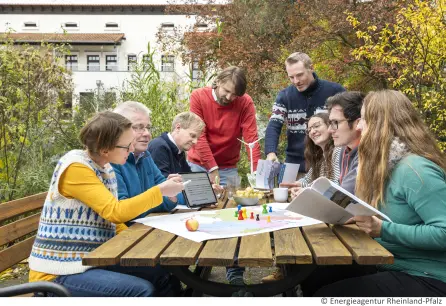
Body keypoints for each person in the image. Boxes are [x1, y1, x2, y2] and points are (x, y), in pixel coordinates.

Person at [304, 90, 446, 297]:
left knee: (328, 294)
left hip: (429, 276)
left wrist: (383, 229)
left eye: (365, 119)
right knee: (316, 278)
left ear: (383, 125)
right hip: (388, 261)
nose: (359, 125)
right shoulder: (384, 166)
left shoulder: (415, 170)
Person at [28, 111, 184, 297]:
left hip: (91, 260)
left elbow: (109, 220)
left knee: (160, 272)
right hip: (58, 273)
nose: (132, 148)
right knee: (141, 291)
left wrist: (136, 241)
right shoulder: (76, 167)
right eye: (127, 146)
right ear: (105, 150)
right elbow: (114, 211)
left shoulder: (104, 167)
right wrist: (159, 191)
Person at [262, 112, 342, 283]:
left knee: (288, 226)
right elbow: (307, 180)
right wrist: (297, 186)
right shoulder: (320, 155)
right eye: (309, 129)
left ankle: (292, 276)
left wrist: (306, 191)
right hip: (323, 212)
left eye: (316, 126)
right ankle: (288, 272)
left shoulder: (338, 152)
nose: (312, 131)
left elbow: (335, 186)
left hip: (335, 216)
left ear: (330, 126)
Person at [264, 52, 345, 175]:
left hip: (330, 165)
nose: (296, 81)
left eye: (300, 75)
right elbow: (274, 125)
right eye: (291, 77)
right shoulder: (285, 96)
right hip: (294, 167)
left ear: (311, 68)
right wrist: (271, 152)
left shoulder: (335, 91)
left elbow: (350, 122)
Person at [187, 66, 261, 185]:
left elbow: (251, 139)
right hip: (198, 166)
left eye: (234, 95)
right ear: (218, 81)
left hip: (228, 168)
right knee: (199, 203)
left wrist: (257, 172)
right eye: (226, 91)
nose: (229, 98)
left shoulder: (245, 102)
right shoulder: (198, 96)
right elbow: (199, 136)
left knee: (230, 202)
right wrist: (212, 167)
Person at [112, 101, 183, 225]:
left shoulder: (145, 156)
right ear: (118, 130)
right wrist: (159, 192)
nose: (147, 134)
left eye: (147, 127)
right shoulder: (112, 160)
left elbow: (167, 202)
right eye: (137, 127)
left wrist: (171, 193)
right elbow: (123, 214)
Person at [326, 91, 364, 194]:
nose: (329, 130)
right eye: (330, 123)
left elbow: (343, 196)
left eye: (336, 122)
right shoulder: (344, 150)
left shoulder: (369, 153)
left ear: (358, 123)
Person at [148, 111, 205, 178]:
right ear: (178, 128)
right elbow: (161, 182)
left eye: (197, 138)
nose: (195, 142)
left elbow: (189, 178)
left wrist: (209, 185)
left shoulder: (179, 150)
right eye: (192, 135)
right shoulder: (158, 146)